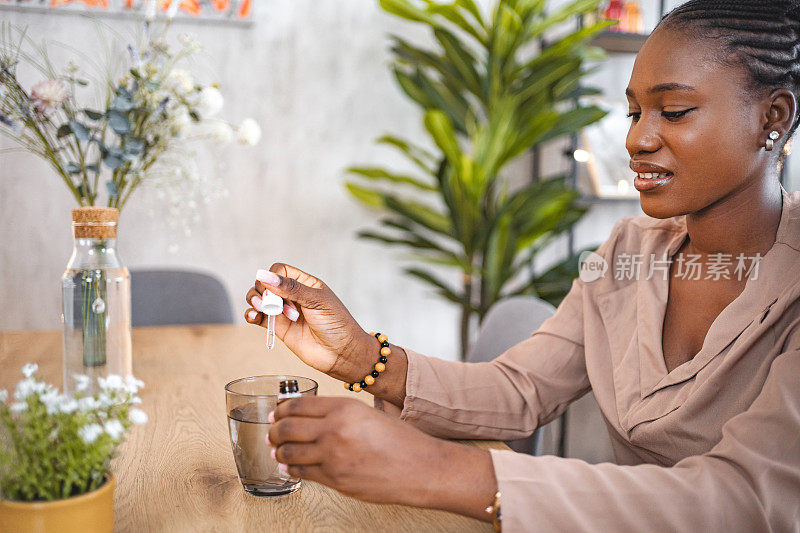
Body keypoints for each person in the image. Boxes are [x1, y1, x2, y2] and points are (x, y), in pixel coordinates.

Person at [244, 1, 800, 530]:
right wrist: (359, 355)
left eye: (674, 111)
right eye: (633, 112)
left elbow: (748, 498)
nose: (636, 138)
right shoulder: (629, 253)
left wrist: (436, 471)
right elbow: (520, 391)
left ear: (772, 116)